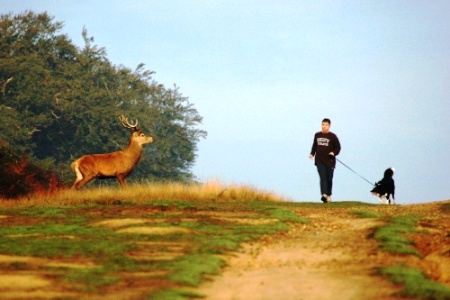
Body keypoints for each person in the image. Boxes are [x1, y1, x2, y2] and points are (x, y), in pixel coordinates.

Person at [309, 118, 341, 203]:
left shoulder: (333, 136)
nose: (324, 126)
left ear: (329, 126)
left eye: (326, 125)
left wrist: (333, 153)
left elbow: (338, 148)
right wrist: (312, 153)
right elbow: (315, 146)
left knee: (329, 178)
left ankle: (328, 195)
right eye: (323, 124)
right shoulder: (317, 135)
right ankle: (324, 194)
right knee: (322, 177)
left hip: (329, 161)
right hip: (319, 160)